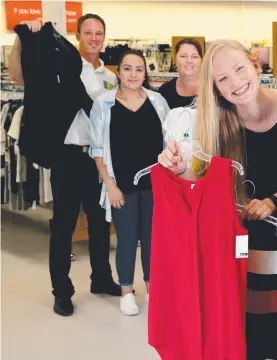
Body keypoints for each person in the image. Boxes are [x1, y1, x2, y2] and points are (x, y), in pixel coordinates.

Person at [9, 15, 121, 317]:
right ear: (78, 34)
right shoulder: (60, 63)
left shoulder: (110, 76)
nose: (94, 38)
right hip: (67, 156)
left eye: (99, 33)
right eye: (88, 32)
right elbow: (19, 75)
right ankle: (62, 291)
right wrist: (22, 40)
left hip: (97, 160)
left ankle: (101, 278)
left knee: (100, 223)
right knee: (63, 226)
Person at [157, 39, 277, 220]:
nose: (235, 81)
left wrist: (273, 201)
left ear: (255, 65)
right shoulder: (215, 124)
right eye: (223, 78)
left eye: (239, 68)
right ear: (216, 89)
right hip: (244, 235)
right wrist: (180, 168)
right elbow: (204, 179)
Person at [90, 50, 170, 315]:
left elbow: (170, 144)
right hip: (121, 186)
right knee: (126, 239)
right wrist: (110, 186)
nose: (133, 75)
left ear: (145, 73)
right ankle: (126, 291)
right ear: (119, 72)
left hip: (155, 186)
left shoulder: (158, 102)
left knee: (152, 240)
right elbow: (97, 150)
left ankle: (152, 288)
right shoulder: (103, 103)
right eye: (127, 69)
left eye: (138, 69)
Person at [157, 38, 203, 109]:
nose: (189, 61)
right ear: (175, 60)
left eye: (194, 56)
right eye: (183, 56)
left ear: (201, 60)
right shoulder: (164, 91)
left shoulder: (213, 89)